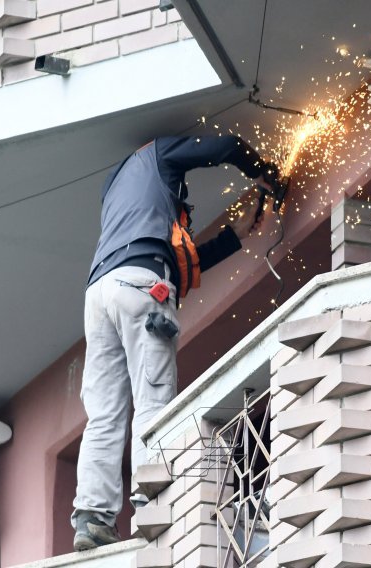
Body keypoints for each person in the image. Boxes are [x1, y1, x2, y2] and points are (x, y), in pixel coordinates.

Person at [71, 135, 276, 551]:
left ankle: (92, 520)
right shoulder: (158, 153)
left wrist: (232, 237)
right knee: (153, 400)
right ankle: (151, 502)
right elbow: (225, 144)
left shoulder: (117, 189)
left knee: (104, 414)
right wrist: (263, 173)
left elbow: (171, 264)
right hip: (141, 285)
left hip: (100, 293)